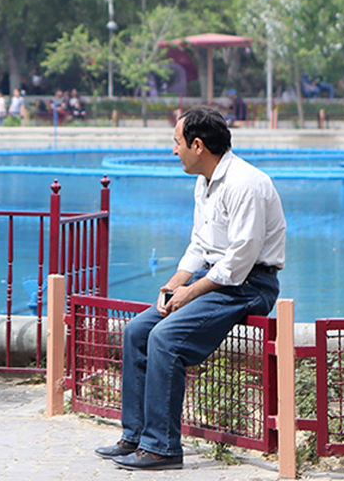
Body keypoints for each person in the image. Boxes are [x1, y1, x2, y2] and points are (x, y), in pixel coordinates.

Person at [95, 106, 285, 471]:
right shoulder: (205, 182)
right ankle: (134, 436)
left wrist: (190, 293)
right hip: (217, 281)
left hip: (250, 286)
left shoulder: (247, 184)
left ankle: (163, 447)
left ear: (198, 145)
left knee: (165, 339)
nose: (173, 150)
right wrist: (172, 286)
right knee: (137, 331)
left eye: (177, 142)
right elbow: (200, 245)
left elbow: (238, 263)